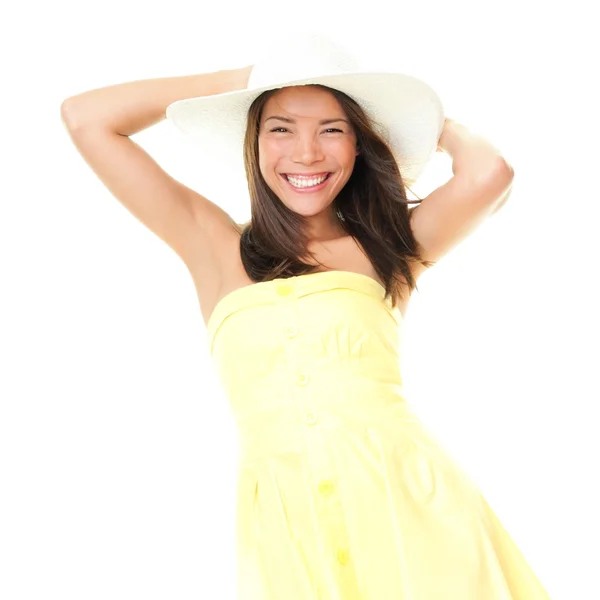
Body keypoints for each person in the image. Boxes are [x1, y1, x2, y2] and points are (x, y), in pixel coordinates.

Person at [61, 33, 550, 600]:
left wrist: (412, 118)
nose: (307, 154)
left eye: (333, 130)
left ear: (361, 144)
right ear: (255, 139)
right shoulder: (212, 246)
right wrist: (251, 79)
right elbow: (86, 118)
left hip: (410, 505)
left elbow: (491, 173)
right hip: (285, 525)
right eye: (282, 128)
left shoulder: (390, 247)